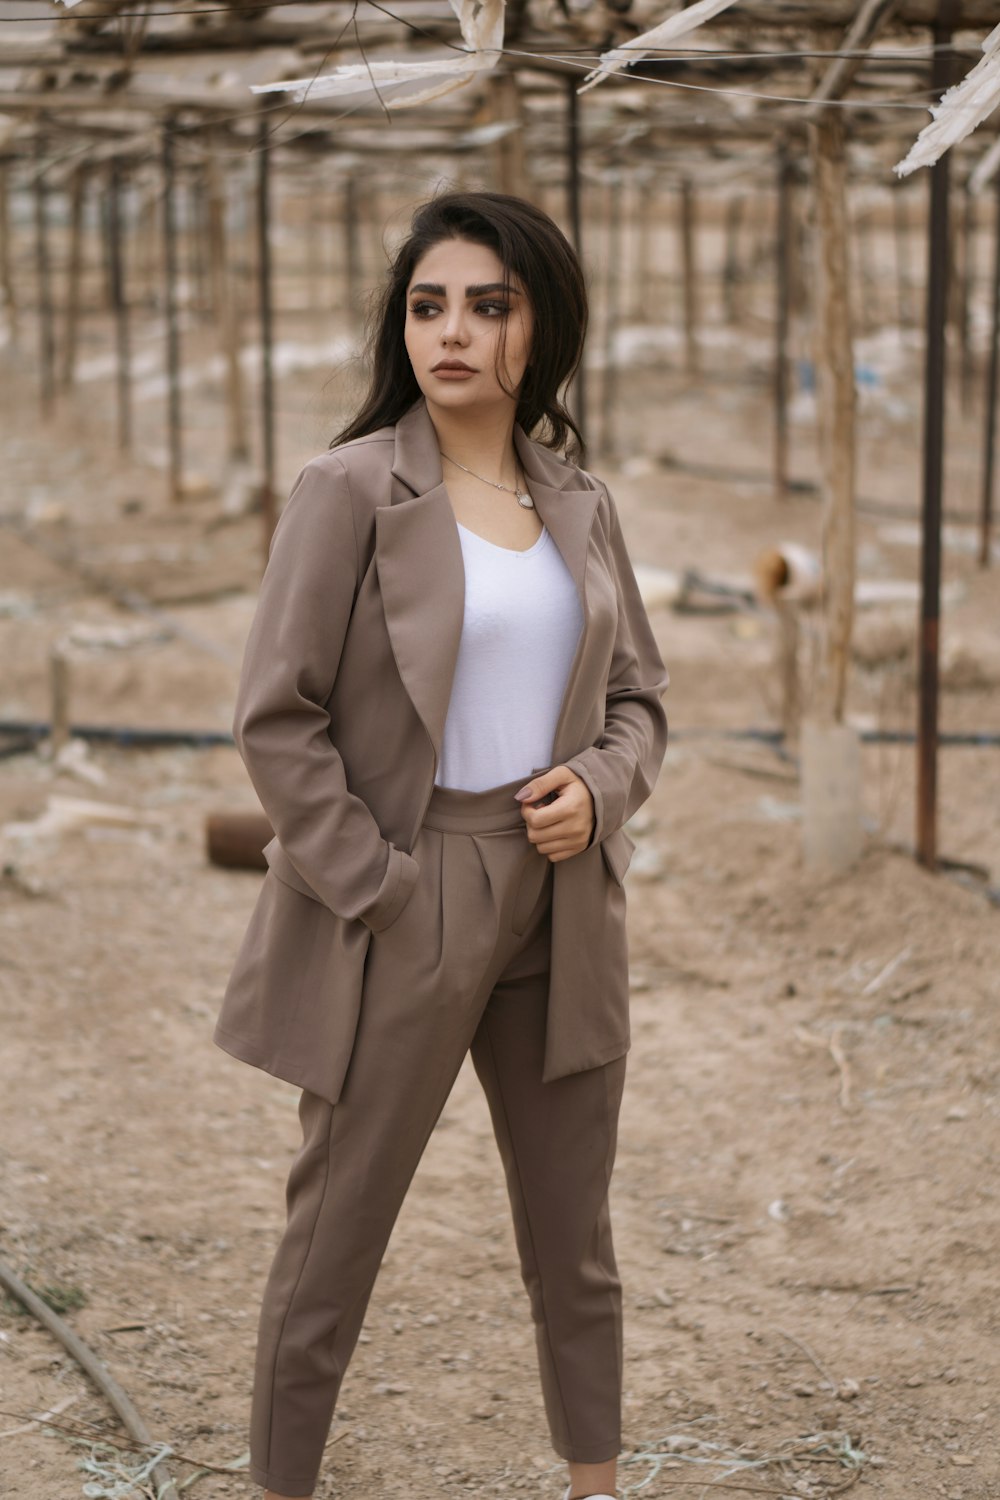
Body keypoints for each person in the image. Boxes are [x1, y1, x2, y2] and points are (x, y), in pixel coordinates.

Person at [214, 189, 669, 1500]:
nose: (452, 332)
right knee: (334, 1240)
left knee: (573, 1241)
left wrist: (601, 783)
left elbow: (640, 699)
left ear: (542, 328)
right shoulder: (350, 489)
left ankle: (598, 1484)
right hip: (410, 892)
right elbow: (277, 714)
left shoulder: (579, 501)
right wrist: (380, 887)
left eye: (489, 304)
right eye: (428, 306)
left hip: (564, 897)